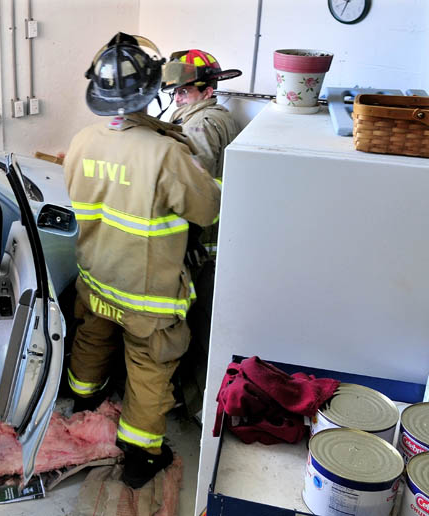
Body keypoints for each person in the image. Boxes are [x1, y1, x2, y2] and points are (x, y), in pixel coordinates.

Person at [63, 33, 221, 489]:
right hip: (147, 294)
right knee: (150, 369)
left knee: (92, 343)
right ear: (153, 92)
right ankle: (140, 457)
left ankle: (84, 407)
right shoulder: (166, 151)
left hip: (96, 278)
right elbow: (206, 209)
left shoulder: (82, 140)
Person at [162, 50, 242, 420]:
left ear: (206, 90)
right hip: (213, 243)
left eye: (183, 92)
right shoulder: (216, 118)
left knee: (194, 327)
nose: (177, 99)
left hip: (201, 246)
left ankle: (196, 406)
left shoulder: (200, 126)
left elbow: (192, 189)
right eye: (175, 93)